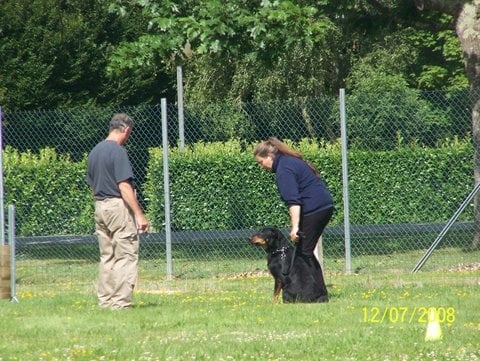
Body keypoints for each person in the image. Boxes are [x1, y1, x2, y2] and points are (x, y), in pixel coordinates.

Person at [253, 137, 334, 300]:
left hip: (314, 209)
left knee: (303, 254)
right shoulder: (290, 161)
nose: (261, 167)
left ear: (270, 156)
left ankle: (313, 295)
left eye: (261, 162)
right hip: (324, 206)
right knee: (306, 252)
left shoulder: (283, 169)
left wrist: (295, 227)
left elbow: (293, 201)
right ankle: (320, 294)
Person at [86, 113, 149, 310]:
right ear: (126, 129)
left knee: (107, 256)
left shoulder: (95, 151)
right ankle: (121, 303)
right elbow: (124, 186)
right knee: (126, 254)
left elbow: (91, 185)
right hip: (117, 206)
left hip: (100, 206)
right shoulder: (118, 152)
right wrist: (139, 214)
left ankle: (105, 301)